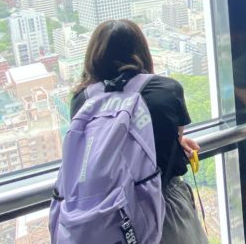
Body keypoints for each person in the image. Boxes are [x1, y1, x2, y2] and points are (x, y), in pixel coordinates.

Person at [70, 19, 208, 244]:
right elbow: (172, 135)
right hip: (164, 211)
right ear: (141, 51)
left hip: (104, 216)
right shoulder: (166, 90)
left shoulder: (82, 100)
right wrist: (175, 143)